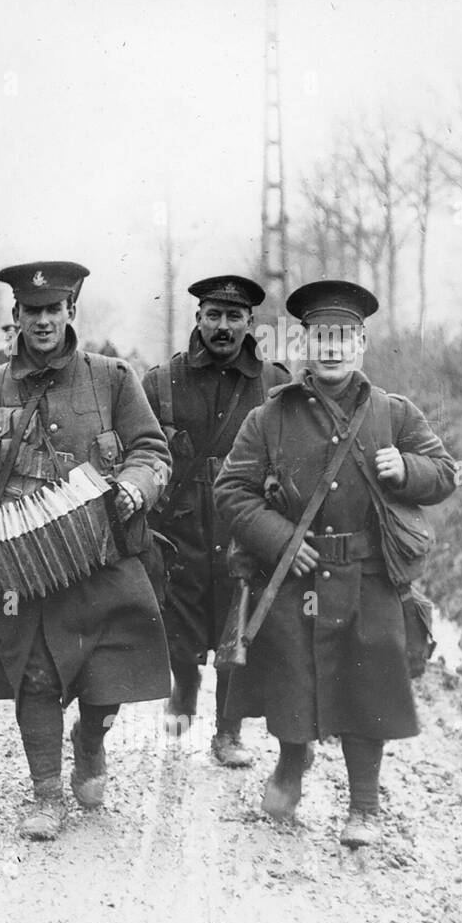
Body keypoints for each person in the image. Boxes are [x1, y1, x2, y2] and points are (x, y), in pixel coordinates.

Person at [215, 280, 458, 847]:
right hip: (294, 574)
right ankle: (291, 763)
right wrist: (277, 538)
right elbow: (232, 490)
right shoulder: (271, 417)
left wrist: (410, 470)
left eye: (343, 336)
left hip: (369, 577)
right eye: (320, 336)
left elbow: (445, 473)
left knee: (368, 687)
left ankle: (364, 807)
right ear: (303, 343)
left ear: (362, 343)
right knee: (294, 677)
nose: (331, 348)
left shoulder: (394, 413)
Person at [0, 261, 172, 840]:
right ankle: (46, 794)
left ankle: (90, 739)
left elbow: (152, 451)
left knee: (110, 674)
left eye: (54, 309)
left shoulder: (113, 379)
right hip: (22, 565)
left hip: (103, 556)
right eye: (32, 311)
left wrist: (134, 485)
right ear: (16, 316)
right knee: (36, 677)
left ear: (71, 310)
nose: (43, 321)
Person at [142, 275, 288, 767]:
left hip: (242, 523)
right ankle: (184, 688)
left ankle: (227, 732)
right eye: (213, 316)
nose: (222, 327)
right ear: (198, 318)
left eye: (234, 317)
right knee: (176, 618)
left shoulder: (274, 384)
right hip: (178, 523)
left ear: (250, 324)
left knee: (237, 619)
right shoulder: (161, 381)